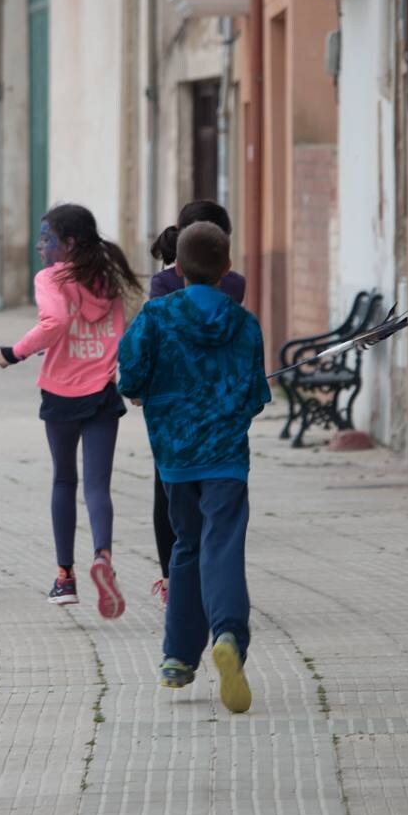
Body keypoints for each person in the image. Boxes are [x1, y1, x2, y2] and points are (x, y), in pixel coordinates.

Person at [118, 221, 270, 714]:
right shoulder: (244, 323)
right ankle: (227, 634)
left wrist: (147, 391)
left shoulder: (157, 315)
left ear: (177, 268)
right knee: (221, 542)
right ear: (227, 269)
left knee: (186, 544)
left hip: (175, 456)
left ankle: (179, 658)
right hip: (226, 455)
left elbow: (131, 376)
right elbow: (255, 396)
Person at [0, 203, 142, 620]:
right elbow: (120, 332)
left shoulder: (50, 278)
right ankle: (103, 556)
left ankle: (65, 578)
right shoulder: (107, 279)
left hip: (61, 392)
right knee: (98, 486)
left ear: (69, 243)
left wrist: (15, 352)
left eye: (47, 239)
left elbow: (55, 320)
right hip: (101, 391)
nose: (41, 247)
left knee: (63, 480)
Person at [146, 201, 247, 610]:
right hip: (219, 410)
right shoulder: (233, 284)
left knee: (169, 493)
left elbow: (149, 351)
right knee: (213, 501)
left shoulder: (163, 288)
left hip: (173, 411)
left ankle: (179, 578)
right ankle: (195, 582)